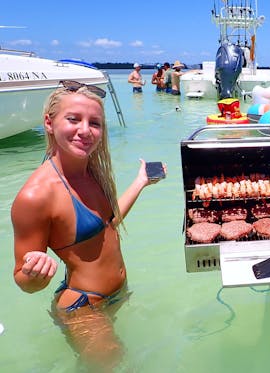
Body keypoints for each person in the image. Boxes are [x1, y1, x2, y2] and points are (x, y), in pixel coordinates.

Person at [11, 80, 165, 370]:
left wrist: (141, 182)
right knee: (112, 363)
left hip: (114, 295)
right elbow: (23, 281)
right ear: (48, 122)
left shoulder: (91, 171)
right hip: (83, 307)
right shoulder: (37, 195)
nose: (85, 130)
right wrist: (35, 273)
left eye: (95, 123)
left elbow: (109, 223)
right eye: (73, 119)